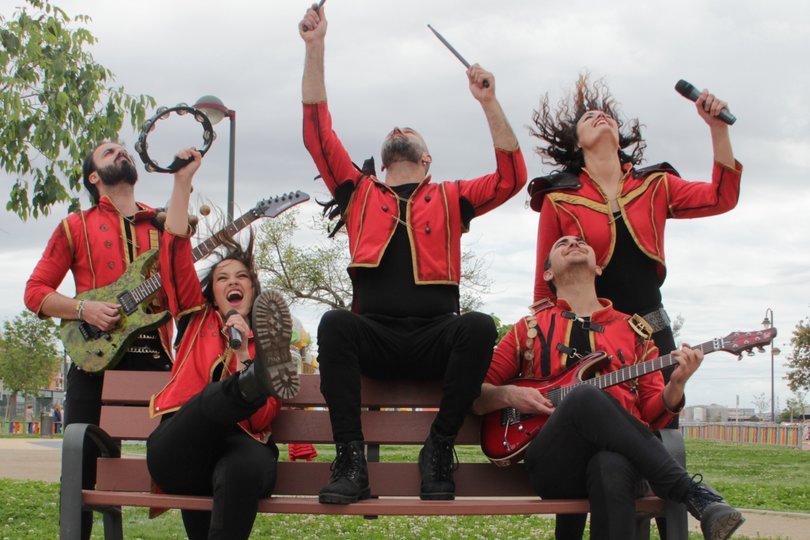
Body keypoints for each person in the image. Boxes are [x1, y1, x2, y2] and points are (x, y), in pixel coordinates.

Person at [299, 4, 527, 503]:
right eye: (392, 132)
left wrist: (489, 102)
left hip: (435, 340)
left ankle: (439, 447)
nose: (398, 128)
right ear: (383, 162)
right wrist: (315, 48)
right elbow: (316, 133)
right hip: (374, 338)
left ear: (427, 159)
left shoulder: (451, 196)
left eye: (410, 132)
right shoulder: (358, 191)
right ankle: (351, 462)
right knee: (335, 324)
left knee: (478, 326)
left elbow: (512, 178)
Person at [472, 236, 744, 540]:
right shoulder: (529, 329)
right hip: (556, 465)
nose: (573, 243)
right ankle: (692, 493)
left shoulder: (634, 331)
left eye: (581, 242)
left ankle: (694, 495)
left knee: (610, 464)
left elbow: (652, 412)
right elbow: (477, 396)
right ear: (547, 273)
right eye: (562, 243)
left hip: (623, 465)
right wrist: (508, 394)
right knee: (585, 396)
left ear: (598, 268)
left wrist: (677, 384)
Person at [527, 75, 742, 407]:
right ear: (577, 143)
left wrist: (718, 129)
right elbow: (545, 288)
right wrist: (540, 345)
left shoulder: (656, 184)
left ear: (618, 137)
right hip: (587, 338)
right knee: (596, 421)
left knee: (663, 417)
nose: (600, 117)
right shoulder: (558, 198)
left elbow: (721, 197)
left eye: (607, 116)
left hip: (652, 331)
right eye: (589, 117)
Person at [146, 148, 299, 539]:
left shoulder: (268, 339)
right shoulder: (195, 317)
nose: (233, 282)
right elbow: (173, 257)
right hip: (182, 447)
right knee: (208, 401)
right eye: (222, 278)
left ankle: (249, 381)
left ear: (253, 290)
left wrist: (244, 351)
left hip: (242, 448)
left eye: (242, 277)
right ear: (211, 294)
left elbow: (261, 421)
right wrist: (182, 181)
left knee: (241, 467)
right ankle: (246, 385)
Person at [24, 141, 173, 539]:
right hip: (94, 359)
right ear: (93, 176)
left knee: (193, 453)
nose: (121, 153)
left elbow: (184, 292)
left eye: (124, 150)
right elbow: (35, 292)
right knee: (80, 470)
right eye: (109, 152)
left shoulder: (163, 225)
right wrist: (83, 309)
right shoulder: (74, 226)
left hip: (155, 357)